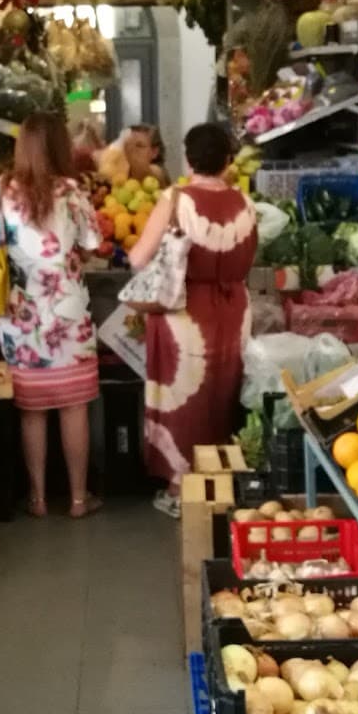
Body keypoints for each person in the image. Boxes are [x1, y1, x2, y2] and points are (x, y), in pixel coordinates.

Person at [128, 121, 258, 517]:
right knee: (223, 393)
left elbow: (138, 258)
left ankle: (181, 489)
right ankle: (221, 484)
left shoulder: (175, 198)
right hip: (234, 308)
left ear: (188, 157)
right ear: (228, 161)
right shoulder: (245, 202)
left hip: (184, 312)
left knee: (183, 397)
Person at [0, 112, 103, 518]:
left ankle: (37, 498)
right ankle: (80, 499)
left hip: (22, 315)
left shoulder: (0, 190)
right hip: (68, 313)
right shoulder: (72, 190)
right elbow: (93, 243)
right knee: (74, 406)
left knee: (32, 411)